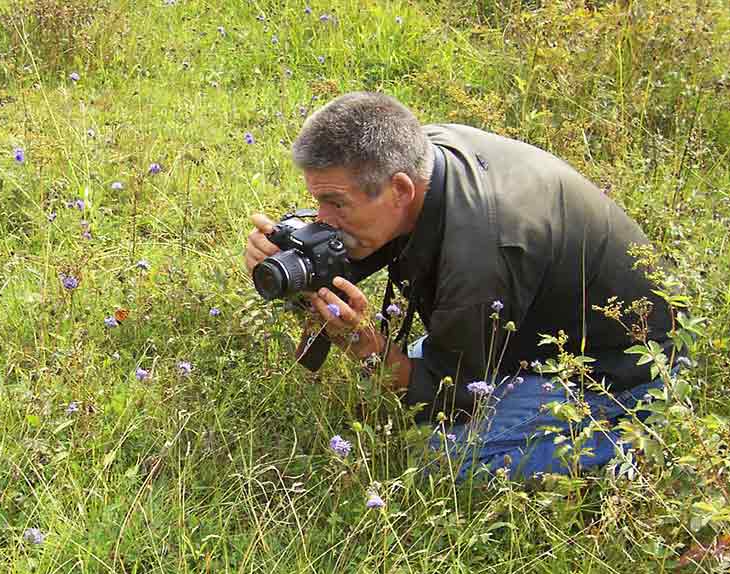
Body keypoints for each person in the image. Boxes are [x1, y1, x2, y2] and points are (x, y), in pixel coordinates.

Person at [244, 91, 678, 479]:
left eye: (335, 203)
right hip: (528, 318)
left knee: (446, 453)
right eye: (318, 201)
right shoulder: (422, 158)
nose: (322, 219)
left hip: (625, 369)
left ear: (398, 189)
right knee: (405, 391)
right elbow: (355, 248)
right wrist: (295, 260)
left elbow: (452, 396)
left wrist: (366, 347)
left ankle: (631, 441)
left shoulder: (480, 253)